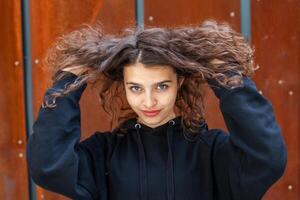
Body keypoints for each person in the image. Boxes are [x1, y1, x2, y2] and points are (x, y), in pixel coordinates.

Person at [26, 20, 287, 200]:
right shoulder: (104, 155)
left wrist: (228, 78)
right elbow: (48, 165)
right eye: (136, 88)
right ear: (125, 87)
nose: (148, 102)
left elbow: (266, 157)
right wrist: (67, 84)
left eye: (161, 86)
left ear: (179, 82)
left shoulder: (211, 152)